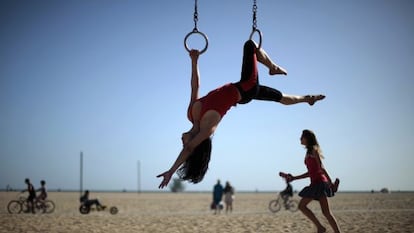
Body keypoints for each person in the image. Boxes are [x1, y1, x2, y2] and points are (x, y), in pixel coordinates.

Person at [157, 40, 326, 188]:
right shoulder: (207, 129)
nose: (182, 142)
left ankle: (307, 99)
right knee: (250, 45)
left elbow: (195, 86)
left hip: (243, 91)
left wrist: (194, 61)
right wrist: (171, 171)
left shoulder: (191, 115)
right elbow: (188, 148)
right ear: (194, 145)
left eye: (183, 144)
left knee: (281, 98)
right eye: (185, 145)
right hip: (246, 87)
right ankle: (272, 67)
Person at [286, 129, 341, 233]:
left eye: (302, 137)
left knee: (305, 207)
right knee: (325, 212)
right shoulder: (308, 153)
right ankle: (321, 228)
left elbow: (321, 168)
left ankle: (321, 228)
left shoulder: (313, 150)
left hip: (320, 183)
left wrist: (330, 183)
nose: (300, 139)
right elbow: (310, 173)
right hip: (315, 183)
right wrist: (294, 178)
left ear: (307, 138)